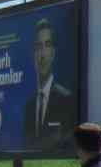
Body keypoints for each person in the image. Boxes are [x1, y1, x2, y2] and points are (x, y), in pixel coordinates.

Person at [22, 19, 75, 149]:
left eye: (47, 45)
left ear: (53, 53)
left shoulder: (66, 99)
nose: (42, 54)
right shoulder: (29, 106)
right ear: (34, 54)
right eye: (38, 47)